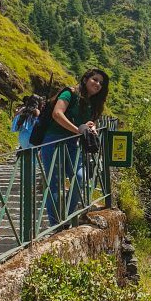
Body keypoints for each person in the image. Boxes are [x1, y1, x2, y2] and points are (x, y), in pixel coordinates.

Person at [40, 69, 109, 227]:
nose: (98, 84)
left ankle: (68, 216)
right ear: (85, 79)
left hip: (72, 144)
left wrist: (90, 126)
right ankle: (57, 225)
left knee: (80, 178)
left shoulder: (91, 104)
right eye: (95, 79)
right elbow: (57, 114)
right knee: (55, 184)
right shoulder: (69, 93)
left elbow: (84, 123)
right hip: (53, 142)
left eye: (101, 83)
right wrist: (78, 130)